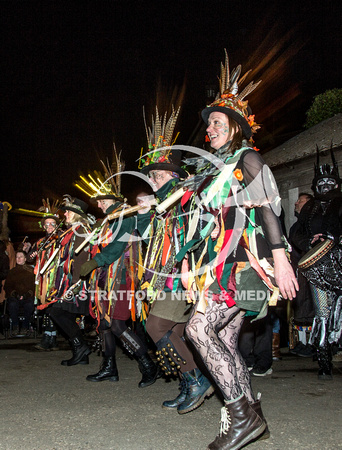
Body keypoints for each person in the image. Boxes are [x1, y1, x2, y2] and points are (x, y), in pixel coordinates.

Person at [180, 50, 298, 449]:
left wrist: (280, 262)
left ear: (234, 127)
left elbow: (267, 208)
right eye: (209, 124)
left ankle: (242, 416)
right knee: (226, 342)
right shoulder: (217, 170)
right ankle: (250, 413)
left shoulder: (248, 158)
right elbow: (206, 222)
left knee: (198, 329)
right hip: (223, 264)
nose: (209, 128)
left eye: (215, 122)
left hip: (250, 267)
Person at [137, 105, 213, 414]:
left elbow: (193, 233)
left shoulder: (182, 194)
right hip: (164, 277)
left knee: (156, 328)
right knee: (175, 333)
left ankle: (196, 381)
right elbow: (151, 242)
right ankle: (189, 382)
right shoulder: (160, 202)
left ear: (172, 174)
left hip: (182, 276)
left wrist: (185, 267)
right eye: (151, 175)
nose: (152, 178)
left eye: (156, 174)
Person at [79, 154, 159, 388]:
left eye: (103, 200)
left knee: (116, 324)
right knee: (104, 324)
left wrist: (96, 261)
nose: (100, 204)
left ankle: (147, 364)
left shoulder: (124, 214)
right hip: (106, 279)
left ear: (113, 198)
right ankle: (109, 368)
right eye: (99, 201)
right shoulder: (107, 220)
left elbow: (118, 246)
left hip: (122, 277)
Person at [292, 149, 342, 379]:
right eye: (320, 182)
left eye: (329, 181)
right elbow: (296, 232)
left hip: (340, 261)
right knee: (322, 312)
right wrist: (309, 242)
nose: (325, 185)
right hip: (318, 267)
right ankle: (324, 360)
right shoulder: (309, 208)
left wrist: (336, 238)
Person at [44, 197, 93, 366]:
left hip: (76, 282)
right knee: (63, 314)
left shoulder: (81, 230)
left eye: (67, 211)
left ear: (76, 214)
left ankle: (81, 348)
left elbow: (81, 258)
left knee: (56, 312)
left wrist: (77, 283)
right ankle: (81, 354)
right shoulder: (72, 231)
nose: (64, 214)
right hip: (69, 281)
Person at [29, 201, 63, 351]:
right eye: (47, 224)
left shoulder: (61, 240)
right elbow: (30, 258)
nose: (49, 226)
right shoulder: (40, 242)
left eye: (53, 223)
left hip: (56, 279)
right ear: (43, 226)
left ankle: (51, 337)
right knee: (45, 309)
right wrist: (32, 255)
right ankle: (49, 337)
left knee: (53, 308)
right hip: (42, 280)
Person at [288, 193, 315, 357]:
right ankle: (303, 343)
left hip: (313, 271)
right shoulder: (296, 226)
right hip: (299, 271)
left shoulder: (314, 224)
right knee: (302, 308)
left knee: (313, 307)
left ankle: (314, 344)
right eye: (296, 200)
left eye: (301, 200)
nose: (296, 203)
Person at [4, 250, 35, 335]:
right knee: (12, 304)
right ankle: (15, 326)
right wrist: (15, 294)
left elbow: (34, 285)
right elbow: (7, 286)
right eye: (17, 257)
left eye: (20, 257)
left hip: (27, 296)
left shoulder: (31, 271)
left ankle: (25, 326)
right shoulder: (12, 272)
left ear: (25, 259)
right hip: (15, 297)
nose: (18, 259)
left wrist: (27, 294)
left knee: (29, 305)